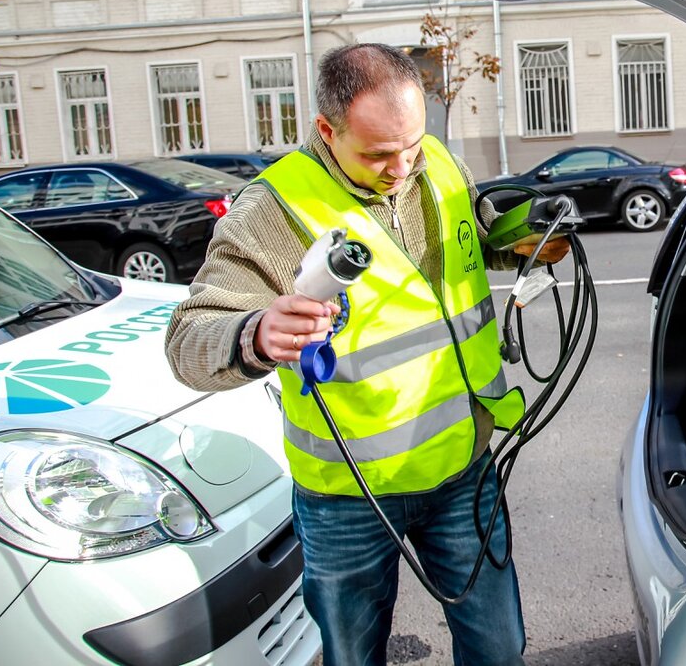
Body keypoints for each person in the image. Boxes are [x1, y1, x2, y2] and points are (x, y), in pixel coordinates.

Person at [165, 43, 568, 666]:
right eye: (379, 154)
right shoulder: (274, 208)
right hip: (349, 495)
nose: (403, 166)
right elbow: (188, 342)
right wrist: (257, 333)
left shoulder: (432, 160)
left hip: (463, 466)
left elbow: (474, 240)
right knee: (353, 656)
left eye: (411, 144)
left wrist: (523, 243)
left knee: (499, 647)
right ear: (327, 130)